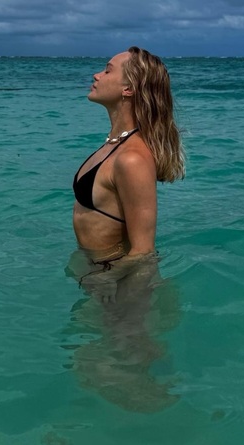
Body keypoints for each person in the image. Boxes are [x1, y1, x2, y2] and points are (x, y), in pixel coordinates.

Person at [70, 46, 185, 303]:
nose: (97, 75)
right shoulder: (114, 145)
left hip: (121, 286)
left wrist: (108, 279)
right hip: (103, 277)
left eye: (107, 70)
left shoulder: (132, 158)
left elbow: (144, 251)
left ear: (129, 89)